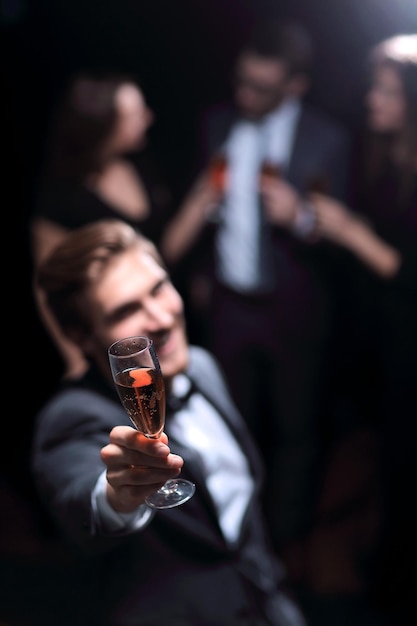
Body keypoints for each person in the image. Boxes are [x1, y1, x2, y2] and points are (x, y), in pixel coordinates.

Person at [30, 218, 307, 626]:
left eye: (159, 288)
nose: (159, 318)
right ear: (82, 338)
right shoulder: (70, 417)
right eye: (126, 310)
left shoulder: (204, 368)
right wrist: (118, 497)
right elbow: (82, 502)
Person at [160, 17, 351, 561]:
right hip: (229, 307)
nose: (245, 95)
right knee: (229, 425)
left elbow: (348, 241)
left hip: (293, 308)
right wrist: (200, 274)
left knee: (295, 433)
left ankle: (286, 549)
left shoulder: (328, 139)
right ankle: (233, 535)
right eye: (241, 82)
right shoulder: (217, 125)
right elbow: (205, 211)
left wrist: (305, 218)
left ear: (295, 85)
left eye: (261, 89)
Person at [309, 33, 417, 618]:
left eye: (387, 89)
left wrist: (350, 232)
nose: (373, 98)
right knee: (386, 470)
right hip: (384, 344)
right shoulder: (385, 158)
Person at [30, 70, 172, 380]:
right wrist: (75, 360)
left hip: (164, 317)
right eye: (135, 114)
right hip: (119, 338)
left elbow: (166, 245)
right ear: (105, 126)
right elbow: (46, 288)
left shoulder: (141, 166)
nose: (147, 117)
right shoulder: (62, 196)